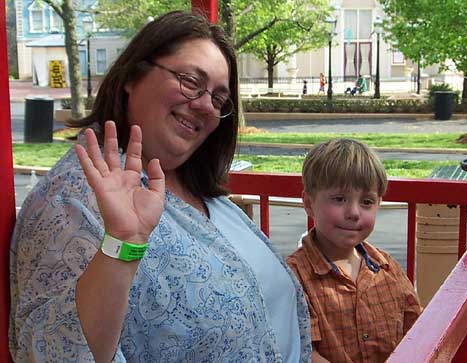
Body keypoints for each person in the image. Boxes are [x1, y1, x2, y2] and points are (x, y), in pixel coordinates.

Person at [10, 11, 311, 363]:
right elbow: (54, 349)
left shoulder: (199, 192)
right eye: (189, 81)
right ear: (133, 76)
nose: (204, 105)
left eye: (218, 98)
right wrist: (123, 243)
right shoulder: (75, 198)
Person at [286, 139, 422, 363]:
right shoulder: (294, 277)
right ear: (309, 204)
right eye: (339, 199)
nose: (353, 212)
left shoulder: (387, 268)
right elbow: (305, 353)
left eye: (367, 202)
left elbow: (417, 333)